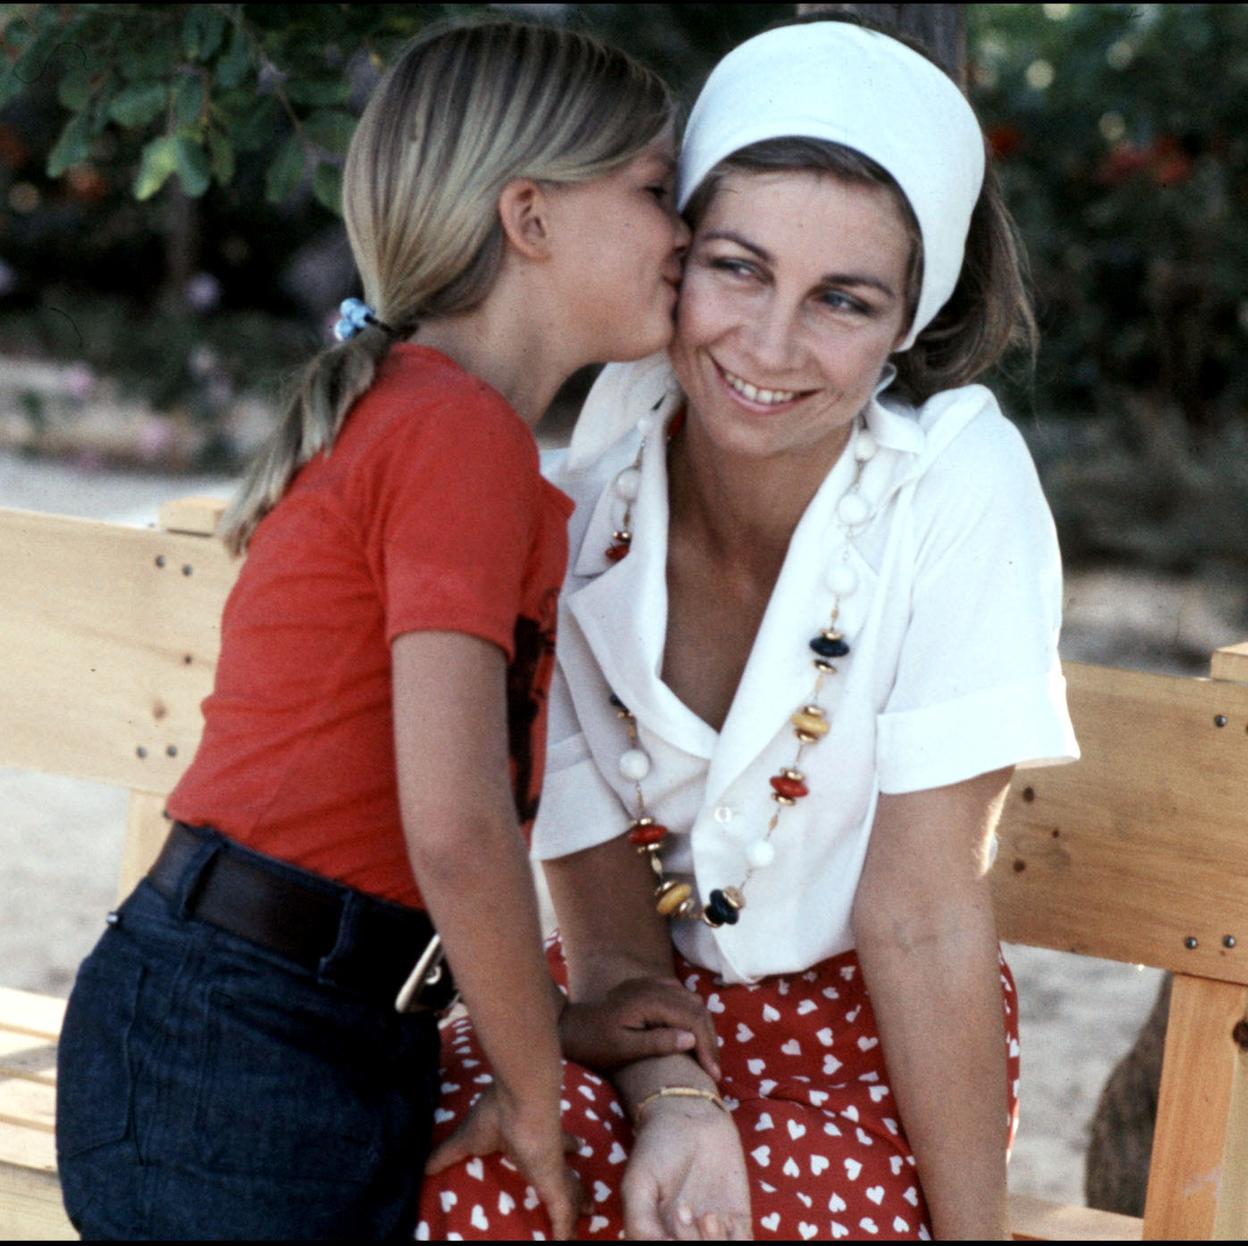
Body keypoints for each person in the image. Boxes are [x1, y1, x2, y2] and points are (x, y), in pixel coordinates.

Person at [420, 15, 1079, 1242]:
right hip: (621, 1006)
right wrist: (675, 1098)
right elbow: (594, 889)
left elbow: (922, 917)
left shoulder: (955, 489)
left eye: (844, 299)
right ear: (675, 253)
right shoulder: (586, 488)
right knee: (457, 1187)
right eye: (737, 267)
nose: (770, 345)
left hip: (869, 1034)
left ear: (911, 319)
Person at [54, 18, 714, 1241]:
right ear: (530, 216)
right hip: (235, 1056)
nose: (685, 233)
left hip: (312, 1028)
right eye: (653, 192)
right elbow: (457, 823)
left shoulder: (443, 423)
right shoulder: (453, 434)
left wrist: (545, 1022)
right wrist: (531, 1092)